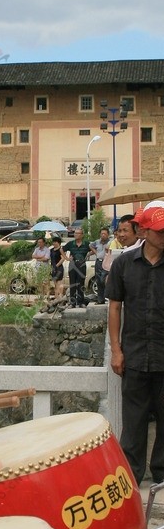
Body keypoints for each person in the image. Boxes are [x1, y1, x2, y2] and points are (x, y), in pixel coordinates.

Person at [106, 204, 164, 486]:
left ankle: (162, 476)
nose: (163, 236)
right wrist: (116, 351)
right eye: (159, 231)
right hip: (135, 356)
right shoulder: (123, 264)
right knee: (134, 422)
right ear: (144, 231)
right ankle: (131, 477)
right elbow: (115, 308)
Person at [61, 227, 91, 308]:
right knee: (72, 284)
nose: (76, 235)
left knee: (81, 284)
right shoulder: (71, 243)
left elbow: (93, 250)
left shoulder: (86, 244)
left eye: (78, 233)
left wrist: (88, 254)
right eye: (75, 233)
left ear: (82, 235)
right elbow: (62, 250)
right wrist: (66, 258)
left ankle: (81, 302)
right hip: (73, 265)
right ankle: (72, 303)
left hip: (82, 265)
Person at [89, 226, 111, 304]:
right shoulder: (97, 242)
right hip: (98, 262)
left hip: (106, 262)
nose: (103, 235)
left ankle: (107, 297)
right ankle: (100, 300)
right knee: (98, 280)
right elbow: (90, 246)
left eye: (105, 234)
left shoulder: (110, 242)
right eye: (102, 234)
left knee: (104, 280)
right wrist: (96, 253)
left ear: (108, 235)